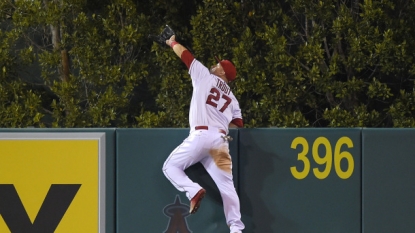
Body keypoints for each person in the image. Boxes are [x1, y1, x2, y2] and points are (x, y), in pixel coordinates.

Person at [161, 34, 245, 233]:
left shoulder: (205, 76)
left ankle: (193, 190)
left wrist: (172, 42)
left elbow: (185, 56)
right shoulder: (232, 99)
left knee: (170, 167)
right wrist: (220, 122)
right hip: (221, 140)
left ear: (223, 71)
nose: (214, 65)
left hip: (201, 136)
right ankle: (236, 229)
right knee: (227, 188)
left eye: (218, 65)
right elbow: (238, 124)